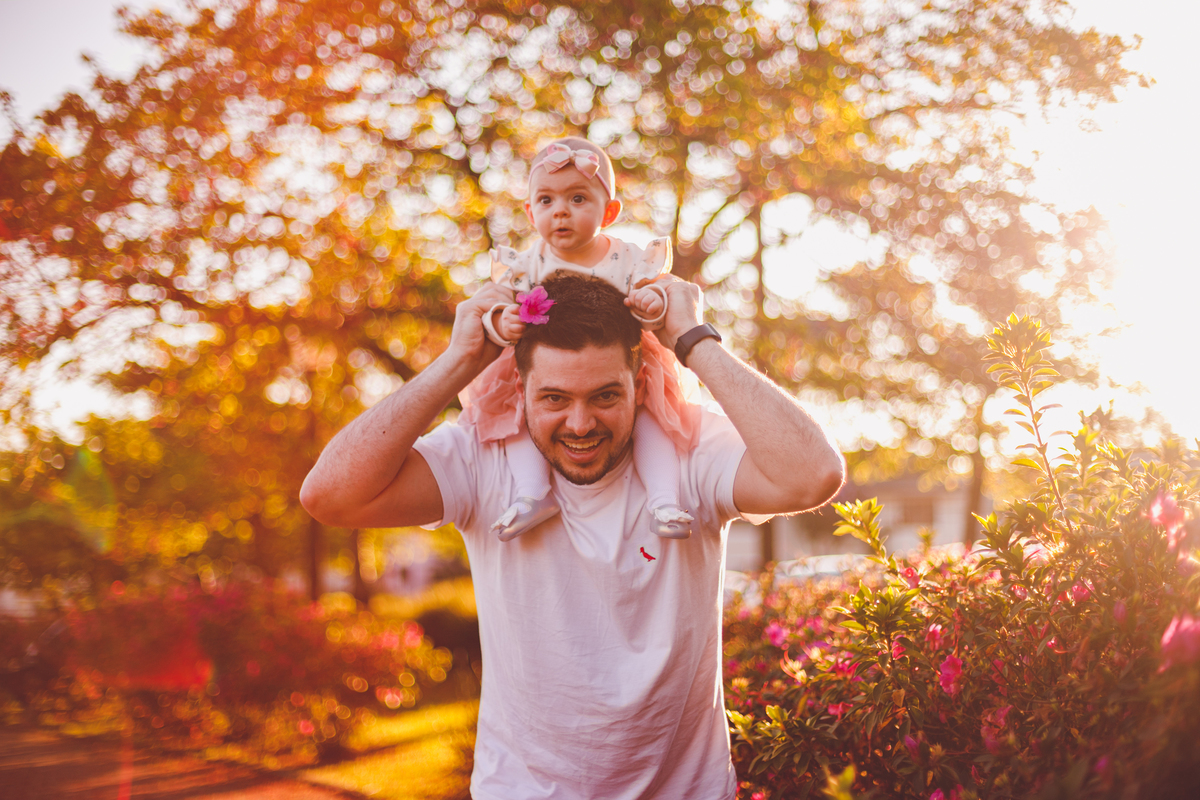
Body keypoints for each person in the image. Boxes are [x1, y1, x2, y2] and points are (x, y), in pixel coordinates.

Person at [300, 268, 846, 800]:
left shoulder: (690, 451)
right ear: (521, 387)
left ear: (639, 382)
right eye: (555, 398)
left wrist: (693, 340)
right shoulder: (481, 457)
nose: (580, 424)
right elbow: (329, 495)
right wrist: (458, 362)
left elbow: (813, 474)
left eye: (605, 396)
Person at [463, 136, 695, 541]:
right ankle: (532, 494)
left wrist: (650, 302)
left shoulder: (626, 259)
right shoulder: (526, 265)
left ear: (608, 211)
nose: (561, 213)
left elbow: (658, 296)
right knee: (516, 421)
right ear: (530, 211)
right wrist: (504, 324)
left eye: (577, 199)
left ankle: (664, 501)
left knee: (652, 420)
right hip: (542, 370)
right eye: (546, 201)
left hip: (626, 363)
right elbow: (497, 307)